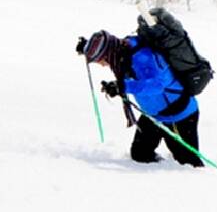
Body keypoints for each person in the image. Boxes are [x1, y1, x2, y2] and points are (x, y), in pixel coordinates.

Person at [77, 29, 203, 167]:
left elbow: (158, 84)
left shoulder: (142, 57)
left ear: (107, 53)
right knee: (140, 153)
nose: (101, 64)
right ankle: (159, 175)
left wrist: (123, 86)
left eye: (100, 60)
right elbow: (104, 44)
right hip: (153, 115)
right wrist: (87, 47)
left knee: (188, 164)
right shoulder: (121, 52)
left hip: (177, 114)